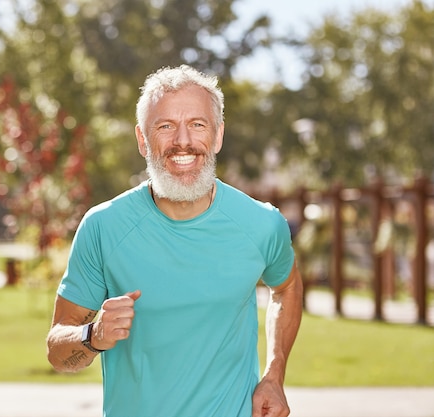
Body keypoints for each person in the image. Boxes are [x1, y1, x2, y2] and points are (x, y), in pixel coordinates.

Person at [46, 65, 303, 417]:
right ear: (142, 140)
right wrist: (94, 335)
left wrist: (274, 373)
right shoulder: (103, 227)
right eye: (165, 126)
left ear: (218, 136)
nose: (183, 141)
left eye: (197, 125)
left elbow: (287, 286)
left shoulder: (261, 224)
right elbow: (58, 351)